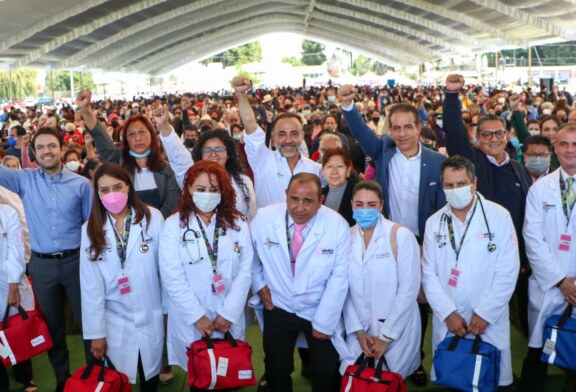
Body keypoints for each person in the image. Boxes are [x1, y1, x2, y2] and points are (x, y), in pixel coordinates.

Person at [338, 83, 446, 386]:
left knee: (416, 301)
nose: (401, 134)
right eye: (395, 128)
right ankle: (368, 344)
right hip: (386, 235)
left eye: (407, 127)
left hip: (421, 241)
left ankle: (417, 361)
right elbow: (361, 134)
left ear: (419, 127)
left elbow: (439, 210)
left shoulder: (436, 162)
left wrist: (428, 246)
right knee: (377, 293)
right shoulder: (384, 150)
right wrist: (349, 107)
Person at [0, 127, 92, 391]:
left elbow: (90, 229)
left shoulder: (81, 185)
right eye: (40, 147)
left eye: (51, 146)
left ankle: (93, 375)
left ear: (62, 148)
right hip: (41, 266)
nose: (46, 151)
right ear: (33, 152)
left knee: (89, 323)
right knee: (53, 328)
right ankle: (63, 380)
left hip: (77, 263)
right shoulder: (23, 179)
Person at [443, 74, 532, 337]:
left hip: (513, 258)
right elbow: (453, 131)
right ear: (477, 138)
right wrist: (451, 95)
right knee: (479, 322)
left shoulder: (518, 169)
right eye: (486, 134)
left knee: (518, 318)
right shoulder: (472, 162)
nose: (493, 139)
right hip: (479, 256)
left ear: (507, 135)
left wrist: (525, 256)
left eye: (499, 133)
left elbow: (525, 214)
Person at [422, 155, 519, 391]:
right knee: (454, 377)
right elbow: (428, 274)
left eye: (461, 183)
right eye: (449, 185)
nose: (455, 190)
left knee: (489, 378)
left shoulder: (498, 216)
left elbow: (508, 270)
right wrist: (447, 313)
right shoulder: (434, 223)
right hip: (450, 319)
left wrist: (485, 313)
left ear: (474, 183)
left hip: (488, 319)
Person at [251, 173, 350, 392]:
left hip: (319, 306)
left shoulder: (337, 225)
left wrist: (324, 321)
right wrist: (258, 284)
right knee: (277, 369)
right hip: (278, 304)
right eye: (294, 199)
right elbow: (250, 257)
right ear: (286, 195)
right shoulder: (264, 218)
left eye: (308, 201)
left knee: (326, 371)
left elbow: (339, 276)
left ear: (321, 201)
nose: (299, 208)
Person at [159, 160, 253, 391]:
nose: (207, 195)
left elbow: (245, 271)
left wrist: (228, 313)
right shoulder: (173, 226)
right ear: (189, 189)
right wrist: (197, 316)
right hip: (192, 320)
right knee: (200, 375)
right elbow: (172, 277)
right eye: (201, 189)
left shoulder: (238, 224)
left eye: (214, 190)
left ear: (223, 191)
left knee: (228, 374)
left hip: (227, 319)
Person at [80, 162, 165, 391]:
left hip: (150, 314)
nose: (112, 194)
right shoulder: (90, 229)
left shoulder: (152, 218)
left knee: (150, 378)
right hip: (114, 321)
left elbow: (166, 271)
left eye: (117, 187)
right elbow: (91, 286)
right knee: (118, 380)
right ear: (97, 194)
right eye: (105, 190)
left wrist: (167, 312)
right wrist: (96, 333)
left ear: (128, 187)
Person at [342, 180, 421, 378]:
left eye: (371, 205)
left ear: (381, 206)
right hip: (359, 332)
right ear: (351, 204)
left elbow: (408, 290)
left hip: (396, 331)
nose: (364, 210)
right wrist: (358, 332)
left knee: (388, 381)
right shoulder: (345, 237)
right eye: (359, 204)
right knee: (356, 380)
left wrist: (386, 336)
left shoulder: (400, 236)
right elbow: (342, 289)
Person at [519, 123, 576, 391]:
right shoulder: (540, 189)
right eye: (564, 144)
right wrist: (560, 280)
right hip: (549, 284)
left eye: (575, 144)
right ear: (555, 149)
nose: (570, 150)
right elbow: (532, 238)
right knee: (538, 349)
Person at [76, 90, 180, 219]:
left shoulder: (167, 169)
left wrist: (153, 227)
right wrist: (85, 110)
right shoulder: (118, 163)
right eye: (131, 134)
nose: (138, 138)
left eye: (142, 132)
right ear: (125, 139)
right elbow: (101, 137)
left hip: (160, 232)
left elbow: (171, 205)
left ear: (152, 136)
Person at [232, 76, 321, 208]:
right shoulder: (263, 160)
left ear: (302, 136)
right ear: (273, 138)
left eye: (294, 134)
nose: (288, 140)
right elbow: (250, 125)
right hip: (266, 229)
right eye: (282, 134)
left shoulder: (315, 169)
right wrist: (241, 94)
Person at [154, 107, 257, 221]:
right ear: (200, 154)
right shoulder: (193, 177)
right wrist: (164, 125)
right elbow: (178, 156)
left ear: (228, 153)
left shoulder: (244, 181)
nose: (213, 154)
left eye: (219, 150)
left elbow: (251, 217)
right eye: (207, 150)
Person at [0, 202, 37, 392]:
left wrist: (13, 285)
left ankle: (26, 378)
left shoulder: (7, 212)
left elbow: (16, 249)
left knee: (17, 331)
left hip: (8, 282)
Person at [321, 147, 357, 226]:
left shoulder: (357, 194)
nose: (334, 172)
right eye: (329, 166)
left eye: (340, 166)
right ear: (323, 171)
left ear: (348, 171)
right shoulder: (318, 194)